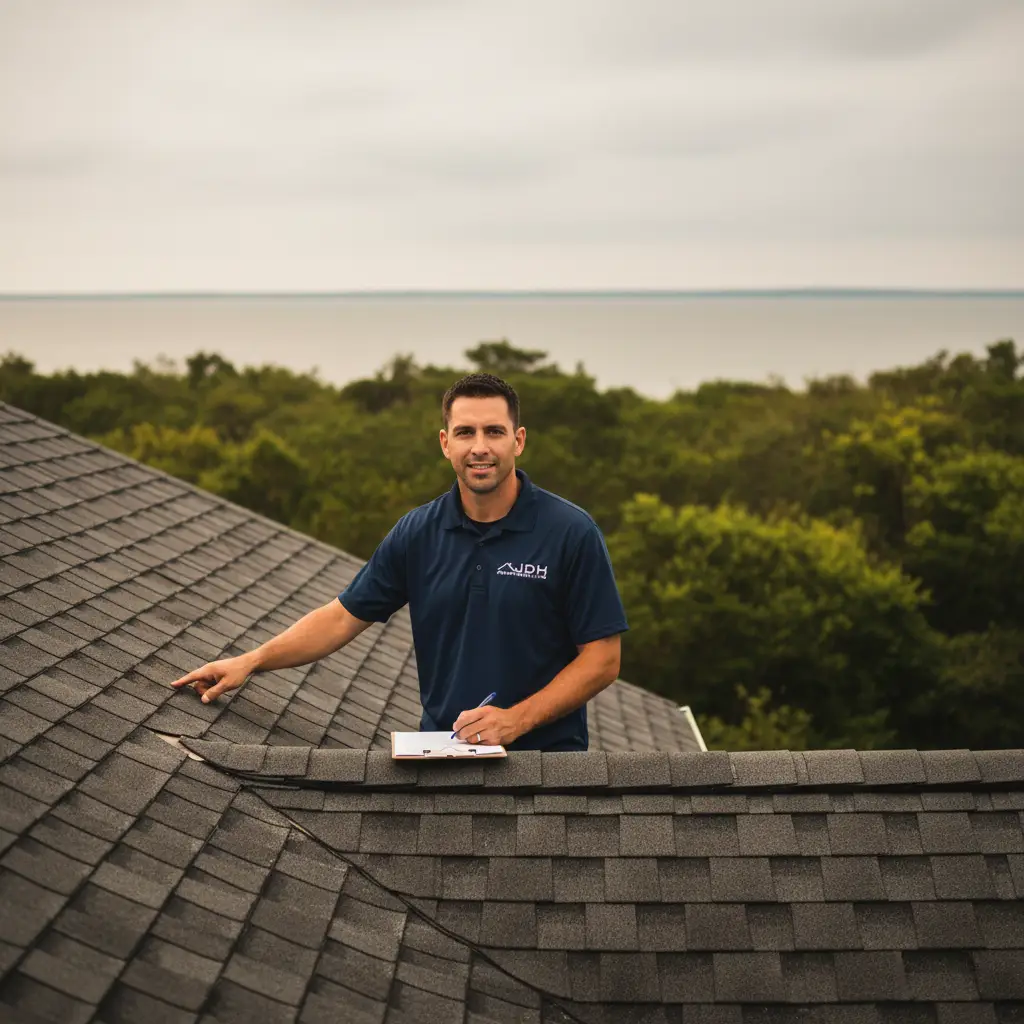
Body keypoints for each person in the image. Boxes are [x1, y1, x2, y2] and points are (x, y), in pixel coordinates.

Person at [171, 372, 628, 750]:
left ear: (519, 441)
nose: (480, 447)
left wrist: (515, 721)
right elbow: (339, 619)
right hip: (445, 755)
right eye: (466, 432)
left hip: (549, 771)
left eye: (494, 431)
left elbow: (603, 660)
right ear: (446, 443)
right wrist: (251, 661)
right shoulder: (418, 533)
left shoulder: (570, 532)